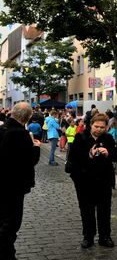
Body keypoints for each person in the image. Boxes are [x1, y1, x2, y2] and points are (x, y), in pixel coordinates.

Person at [67, 113, 117, 249]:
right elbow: (73, 159)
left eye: (102, 127)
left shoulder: (108, 138)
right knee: (87, 210)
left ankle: (105, 236)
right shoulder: (80, 138)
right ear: (91, 125)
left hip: (103, 180)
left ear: (106, 127)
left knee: (104, 210)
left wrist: (108, 153)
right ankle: (88, 237)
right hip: (85, 181)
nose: (99, 129)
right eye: (96, 126)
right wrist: (89, 155)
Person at [0, 102, 41, 259]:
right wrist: (36, 147)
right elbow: (29, 161)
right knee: (11, 224)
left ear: (12, 112)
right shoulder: (20, 134)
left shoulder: (2, 129)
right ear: (28, 117)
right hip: (14, 186)